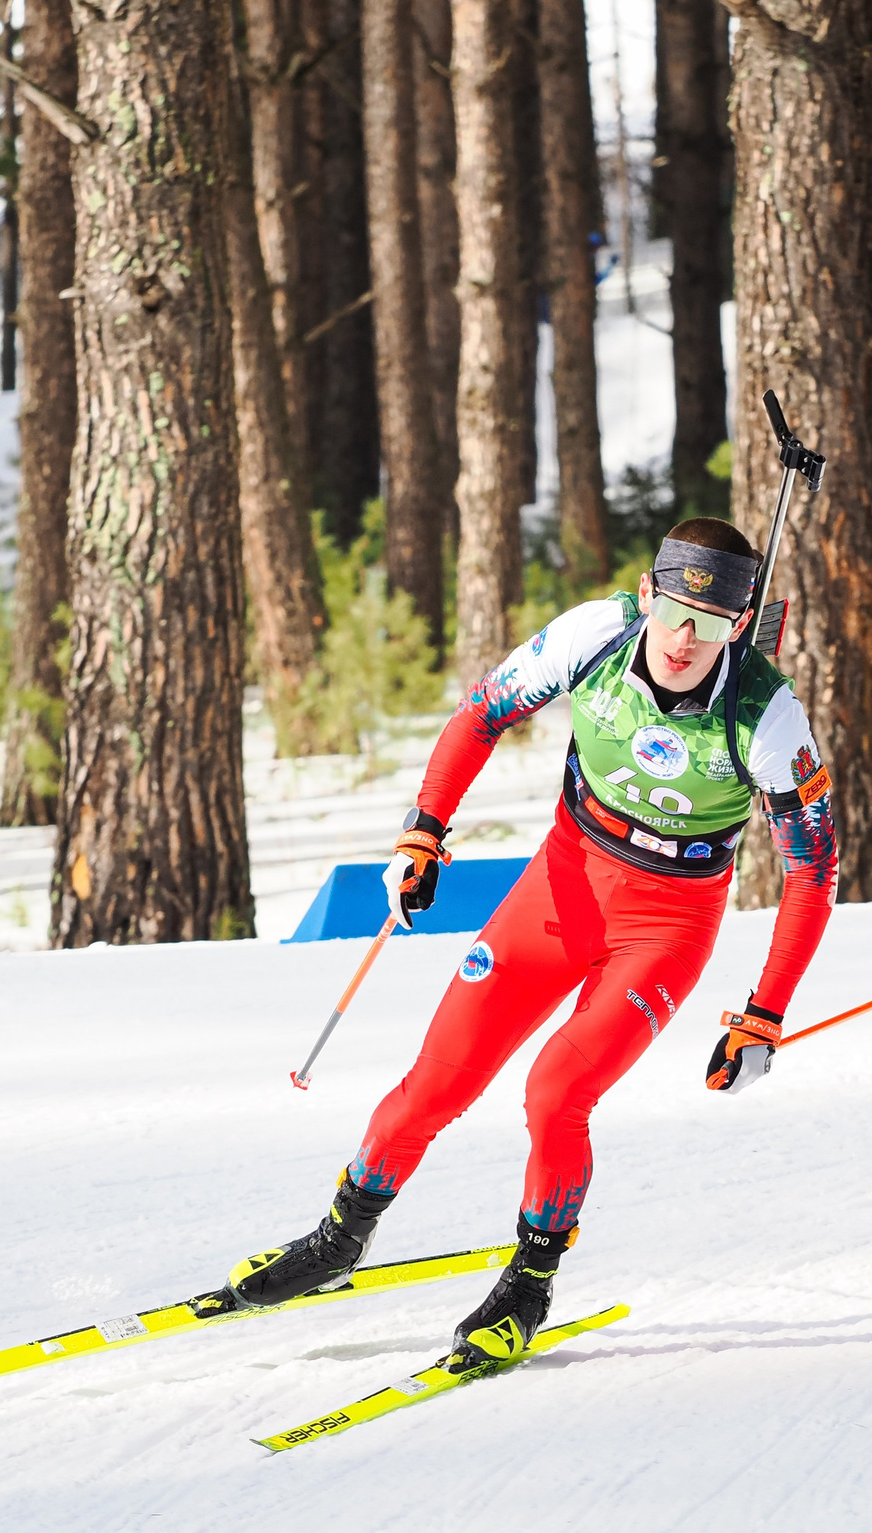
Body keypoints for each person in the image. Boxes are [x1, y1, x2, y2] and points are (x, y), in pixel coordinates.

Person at [221, 517, 840, 1370]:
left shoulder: (768, 714)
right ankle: (339, 1239)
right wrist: (423, 832)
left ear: (741, 623)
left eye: (710, 624)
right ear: (651, 594)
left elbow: (813, 871)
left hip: (665, 925)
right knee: (433, 1082)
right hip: (558, 888)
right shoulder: (597, 633)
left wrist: (764, 1014)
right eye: (673, 614)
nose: (684, 641)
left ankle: (530, 1280)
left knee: (557, 1089)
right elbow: (480, 716)